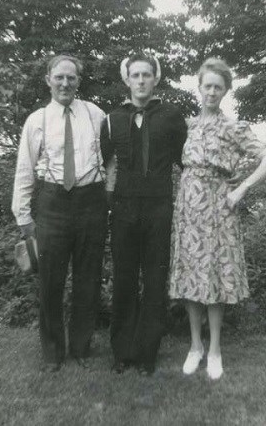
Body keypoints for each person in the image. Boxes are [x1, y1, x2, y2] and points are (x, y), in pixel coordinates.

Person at [169, 58, 266, 380]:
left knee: (215, 278)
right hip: (189, 208)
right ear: (199, 87)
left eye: (219, 87)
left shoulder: (234, 128)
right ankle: (195, 346)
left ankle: (215, 349)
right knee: (192, 277)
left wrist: (242, 186)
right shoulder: (187, 126)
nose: (212, 91)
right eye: (208, 86)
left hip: (219, 209)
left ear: (226, 90)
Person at [12, 55, 107, 371]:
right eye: (59, 78)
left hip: (91, 201)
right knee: (50, 281)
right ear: (48, 80)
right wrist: (23, 216)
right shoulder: (37, 120)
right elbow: (25, 168)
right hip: (52, 202)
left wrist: (107, 189)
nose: (65, 83)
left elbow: (113, 157)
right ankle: (52, 352)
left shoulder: (95, 114)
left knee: (88, 279)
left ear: (79, 81)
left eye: (71, 78)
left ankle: (80, 348)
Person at [101, 53, 187, 376]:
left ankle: (147, 354)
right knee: (123, 279)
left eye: (146, 75)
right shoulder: (112, 119)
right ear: (127, 79)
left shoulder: (172, 116)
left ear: (155, 79)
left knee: (154, 279)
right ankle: (122, 352)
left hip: (158, 207)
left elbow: (186, 162)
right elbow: (104, 166)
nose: (140, 81)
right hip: (123, 208)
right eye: (135, 75)